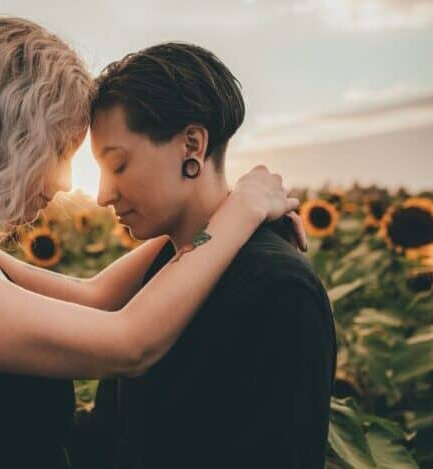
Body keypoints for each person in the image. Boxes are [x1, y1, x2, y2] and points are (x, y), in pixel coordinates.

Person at [0, 18, 303, 469]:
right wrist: (239, 212)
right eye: (55, 150)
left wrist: (211, 211)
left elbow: (95, 295)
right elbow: (129, 342)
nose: (66, 180)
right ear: (1, 136)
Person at [62, 43, 337, 469]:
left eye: (117, 165)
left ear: (192, 145)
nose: (102, 195)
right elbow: (115, 436)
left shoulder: (278, 288)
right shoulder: (163, 264)